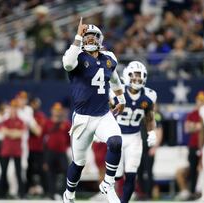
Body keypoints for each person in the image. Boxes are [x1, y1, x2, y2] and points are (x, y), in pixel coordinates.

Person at [62, 17, 126, 203]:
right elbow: (67, 63)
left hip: (103, 115)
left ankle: (107, 183)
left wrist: (120, 98)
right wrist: (77, 36)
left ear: (100, 39)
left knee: (115, 142)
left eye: (93, 36)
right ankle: (69, 193)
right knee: (79, 163)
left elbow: (114, 79)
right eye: (86, 36)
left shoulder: (109, 58)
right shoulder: (77, 57)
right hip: (83, 119)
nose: (90, 39)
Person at [112, 61, 158, 203]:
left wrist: (151, 132)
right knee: (117, 174)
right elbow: (105, 113)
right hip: (117, 137)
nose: (137, 79)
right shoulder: (117, 92)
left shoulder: (149, 95)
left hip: (134, 138)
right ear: (127, 75)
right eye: (134, 76)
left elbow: (149, 117)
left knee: (131, 174)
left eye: (140, 76)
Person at [175, 91, 204, 200]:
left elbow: (203, 128)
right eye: (199, 100)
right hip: (193, 146)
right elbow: (187, 128)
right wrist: (198, 126)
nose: (201, 102)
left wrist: (196, 126)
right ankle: (193, 192)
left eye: (203, 100)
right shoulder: (192, 114)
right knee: (193, 170)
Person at [43, 102, 71, 199]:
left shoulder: (66, 123)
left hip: (62, 152)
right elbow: (43, 137)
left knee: (66, 171)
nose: (57, 112)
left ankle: (63, 192)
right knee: (51, 173)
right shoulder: (47, 122)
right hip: (50, 152)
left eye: (59, 110)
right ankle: (51, 194)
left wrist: (65, 146)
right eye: (55, 110)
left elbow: (69, 138)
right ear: (52, 111)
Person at [0, 99, 26, 199]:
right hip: (6, 150)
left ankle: (22, 194)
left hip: (17, 151)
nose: (13, 110)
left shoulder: (20, 121)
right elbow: (4, 131)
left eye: (14, 109)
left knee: (19, 173)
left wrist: (10, 132)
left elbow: (19, 134)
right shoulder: (5, 121)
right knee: (3, 172)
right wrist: (14, 132)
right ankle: (1, 194)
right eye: (11, 109)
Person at [27, 97, 47, 196]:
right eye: (35, 103)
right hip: (27, 148)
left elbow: (40, 132)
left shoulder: (40, 116)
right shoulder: (26, 115)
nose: (36, 105)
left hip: (39, 148)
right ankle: (28, 189)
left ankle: (44, 189)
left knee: (41, 169)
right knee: (28, 170)